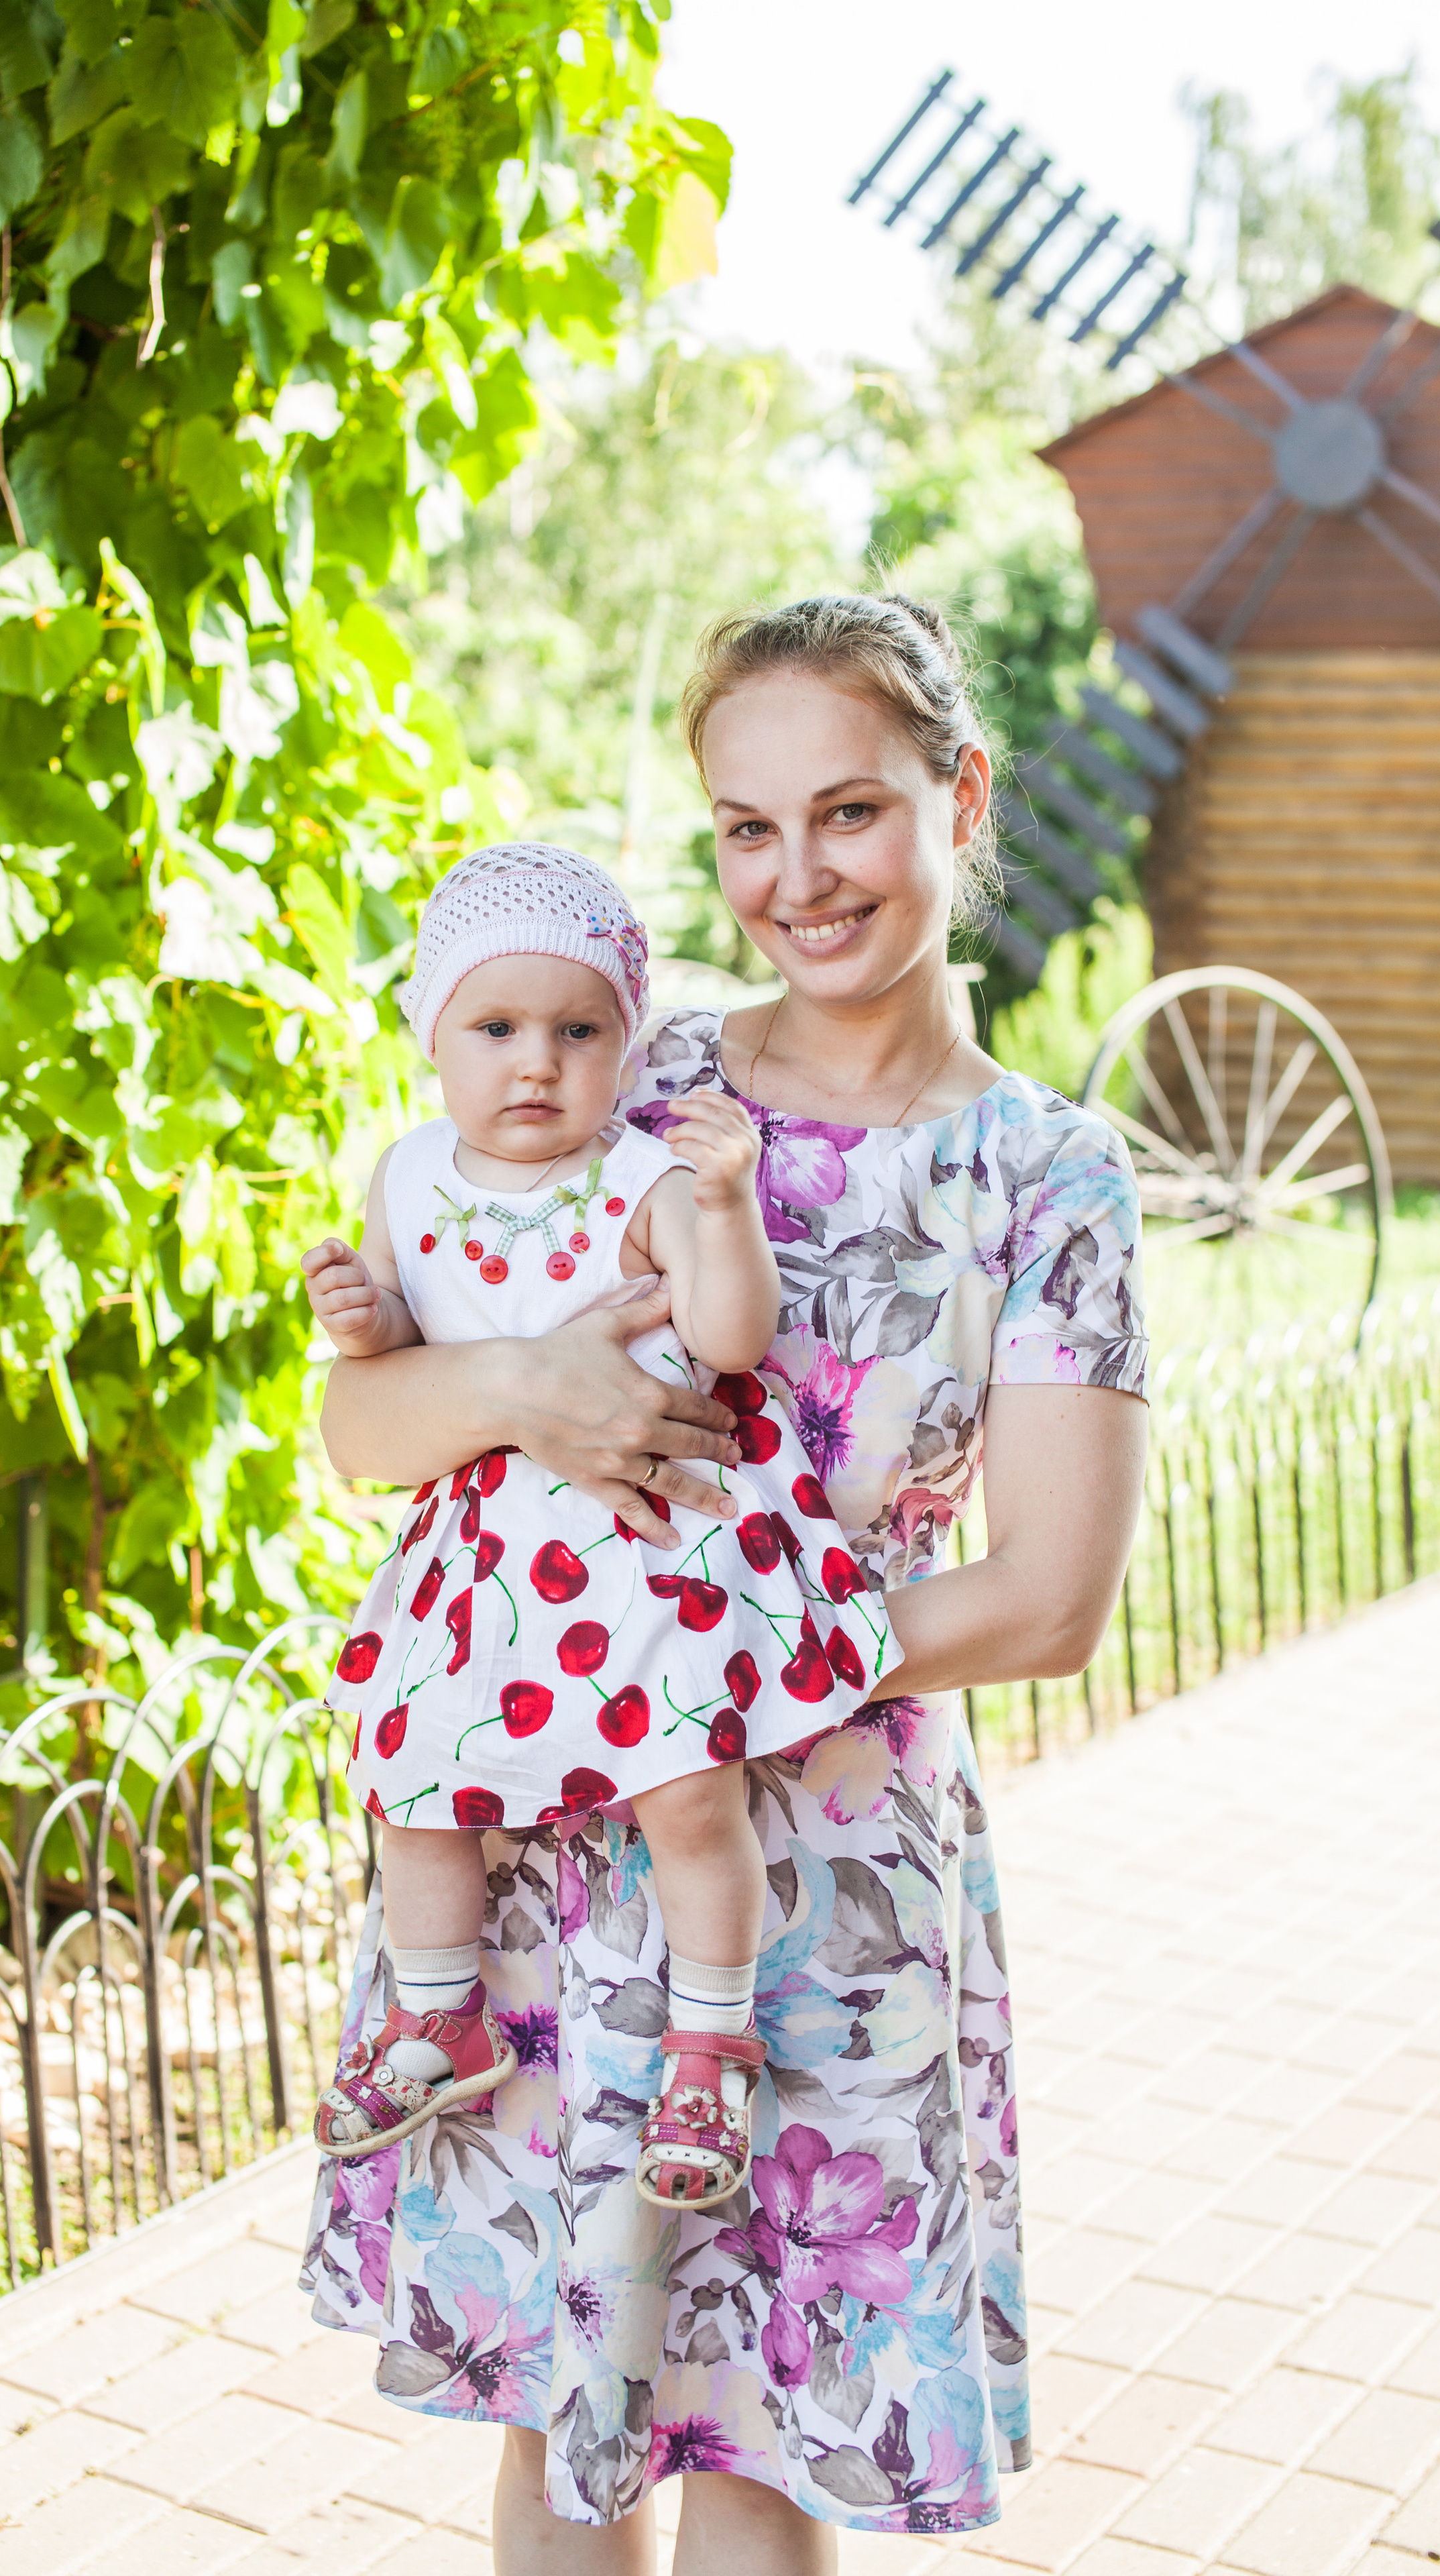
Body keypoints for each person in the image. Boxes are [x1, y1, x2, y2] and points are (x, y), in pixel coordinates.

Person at [301, 593, 1149, 2576]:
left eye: (847, 814)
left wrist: (708, 1670)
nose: (796, 879)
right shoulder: (618, 1070)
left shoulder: (1048, 1177)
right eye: (745, 830)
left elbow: (1046, 1600)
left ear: (964, 793)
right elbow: (368, 1436)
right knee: (562, 2415)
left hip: (828, 1877)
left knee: (762, 2430)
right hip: (552, 1825)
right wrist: (522, 1387)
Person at [301, 845, 897, 2205]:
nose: (536, 1063)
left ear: (623, 1045)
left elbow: (730, 1338)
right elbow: (400, 1354)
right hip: (489, 1559)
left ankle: (709, 2043)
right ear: (432, 1038)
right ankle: (436, 2014)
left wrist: (722, 1205)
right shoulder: (406, 1178)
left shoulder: (636, 1177)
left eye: (577, 1032)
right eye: (496, 1028)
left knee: (686, 1784)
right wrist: (363, 1318)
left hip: (640, 1546)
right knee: (411, 1773)